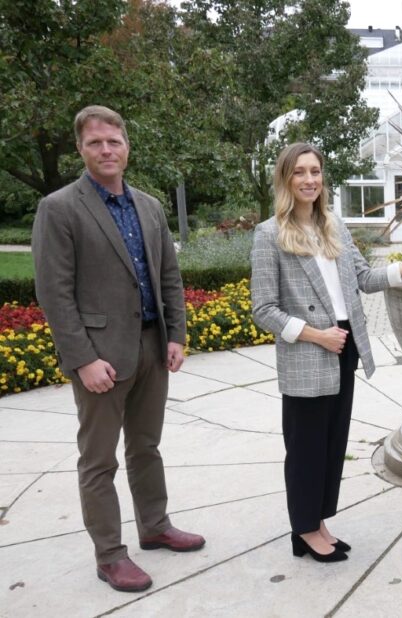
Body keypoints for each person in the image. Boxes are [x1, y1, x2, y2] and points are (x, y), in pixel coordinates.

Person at [32, 105, 204, 592]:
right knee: (99, 460)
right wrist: (83, 359)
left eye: (114, 141)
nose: (106, 150)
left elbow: (169, 276)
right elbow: (54, 293)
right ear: (81, 150)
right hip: (100, 358)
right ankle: (110, 554)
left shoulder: (148, 206)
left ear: (127, 147)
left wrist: (175, 335)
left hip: (152, 346)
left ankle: (155, 526)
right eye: (95, 143)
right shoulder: (61, 208)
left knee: (146, 447)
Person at [251, 143, 402, 562]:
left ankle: (317, 522)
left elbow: (365, 280)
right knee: (306, 448)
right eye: (299, 172)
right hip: (310, 350)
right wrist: (317, 336)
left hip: (345, 346)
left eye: (315, 171)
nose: (309, 180)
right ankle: (303, 529)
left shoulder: (333, 226)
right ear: (285, 179)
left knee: (332, 444)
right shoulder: (269, 234)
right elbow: (263, 309)